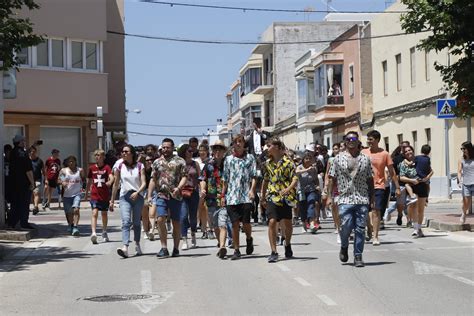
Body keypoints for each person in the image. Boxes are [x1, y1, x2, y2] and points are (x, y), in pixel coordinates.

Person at [327, 131, 374, 267]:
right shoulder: (337, 159)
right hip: (344, 198)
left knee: (360, 228)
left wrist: (372, 197)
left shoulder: (365, 159)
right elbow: (332, 178)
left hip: (361, 198)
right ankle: (344, 246)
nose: (351, 141)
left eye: (354, 138)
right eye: (348, 139)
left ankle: (358, 256)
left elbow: (370, 179)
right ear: (345, 142)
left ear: (358, 141)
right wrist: (329, 196)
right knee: (346, 225)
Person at [147, 138, 187, 258]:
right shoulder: (157, 162)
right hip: (161, 195)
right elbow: (153, 179)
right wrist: (149, 195)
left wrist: (178, 188)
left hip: (176, 195)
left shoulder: (180, 161)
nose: (165, 149)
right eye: (163, 147)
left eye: (168, 147)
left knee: (176, 222)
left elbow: (184, 177)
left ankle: (175, 248)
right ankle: (164, 247)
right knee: (160, 219)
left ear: (173, 148)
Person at [261, 138, 298, 263]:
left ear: (276, 147)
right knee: (272, 221)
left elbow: (295, 179)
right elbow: (266, 180)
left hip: (286, 197)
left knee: (287, 223)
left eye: (269, 145)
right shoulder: (267, 163)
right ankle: (274, 251)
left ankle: (287, 244)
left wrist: (288, 189)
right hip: (272, 195)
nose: (267, 148)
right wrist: (262, 197)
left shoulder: (289, 162)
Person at [362, 130, 400, 246]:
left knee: (376, 210)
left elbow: (392, 172)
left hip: (379, 185)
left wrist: (397, 187)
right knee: (365, 211)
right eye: (368, 139)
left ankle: (375, 236)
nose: (369, 142)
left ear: (377, 140)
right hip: (364, 185)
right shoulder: (363, 152)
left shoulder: (385, 154)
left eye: (371, 139)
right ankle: (369, 227)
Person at [223, 134, 257, 260]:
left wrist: (252, 190)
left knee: (246, 222)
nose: (238, 144)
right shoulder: (228, 160)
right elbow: (225, 178)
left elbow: (254, 176)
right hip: (232, 196)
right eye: (236, 142)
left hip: (245, 195)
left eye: (240, 142)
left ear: (244, 144)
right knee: (235, 223)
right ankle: (236, 249)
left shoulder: (250, 158)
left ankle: (249, 238)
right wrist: (223, 194)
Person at [110, 145, 147, 258]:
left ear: (132, 153)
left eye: (126, 151)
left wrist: (137, 192)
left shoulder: (140, 166)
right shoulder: (120, 166)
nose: (123, 153)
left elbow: (144, 183)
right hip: (124, 196)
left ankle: (137, 244)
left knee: (136, 222)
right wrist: (111, 200)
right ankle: (125, 247)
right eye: (122, 151)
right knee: (126, 222)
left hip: (138, 196)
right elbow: (116, 184)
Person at [200, 140, 230, 259]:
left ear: (224, 151)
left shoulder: (228, 163)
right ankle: (220, 243)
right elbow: (202, 179)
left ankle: (222, 246)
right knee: (215, 225)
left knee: (222, 224)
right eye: (215, 149)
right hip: (211, 199)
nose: (217, 151)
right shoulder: (208, 165)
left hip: (224, 198)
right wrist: (203, 189)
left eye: (220, 149)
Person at [399, 145, 432, 238]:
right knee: (413, 207)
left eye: (409, 150)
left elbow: (430, 171)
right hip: (412, 186)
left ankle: (419, 228)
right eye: (406, 152)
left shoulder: (421, 159)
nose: (408, 152)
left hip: (422, 185)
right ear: (404, 154)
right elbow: (401, 177)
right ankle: (415, 228)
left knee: (421, 210)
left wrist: (427, 178)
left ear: (413, 151)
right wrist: (411, 180)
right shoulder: (403, 164)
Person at [85, 149, 114, 244]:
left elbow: (111, 176)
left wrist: (110, 181)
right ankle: (93, 233)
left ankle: (104, 231)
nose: (97, 157)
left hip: (104, 195)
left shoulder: (107, 167)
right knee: (94, 213)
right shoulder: (92, 168)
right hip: (94, 195)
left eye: (100, 155)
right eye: (96, 155)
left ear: (103, 157)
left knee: (104, 214)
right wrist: (86, 193)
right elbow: (89, 181)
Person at [8, 135, 35, 229]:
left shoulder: (12, 152)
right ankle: (23, 223)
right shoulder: (23, 154)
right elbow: (28, 170)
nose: (25, 142)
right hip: (23, 184)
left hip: (13, 183)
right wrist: (32, 182)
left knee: (15, 203)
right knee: (24, 203)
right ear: (20, 142)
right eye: (23, 141)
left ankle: (13, 222)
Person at [177, 144, 201, 250]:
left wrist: (201, 189)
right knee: (183, 216)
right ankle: (184, 239)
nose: (191, 153)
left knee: (193, 217)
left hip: (194, 192)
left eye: (192, 151)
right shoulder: (179, 164)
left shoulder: (195, 164)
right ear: (184, 152)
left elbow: (200, 177)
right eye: (189, 151)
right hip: (182, 193)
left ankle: (193, 234)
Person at [59, 155, 86, 236]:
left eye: (73, 161)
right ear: (67, 163)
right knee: (69, 212)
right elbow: (59, 179)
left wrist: (84, 189)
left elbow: (84, 180)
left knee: (76, 209)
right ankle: (70, 225)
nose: (71, 163)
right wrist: (62, 182)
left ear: (75, 162)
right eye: (69, 161)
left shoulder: (80, 170)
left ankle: (75, 227)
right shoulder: (64, 171)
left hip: (77, 194)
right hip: (67, 195)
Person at [296, 152, 320, 234]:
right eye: (306, 159)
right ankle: (303, 224)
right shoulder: (299, 167)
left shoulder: (313, 169)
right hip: (301, 191)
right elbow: (297, 173)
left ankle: (312, 223)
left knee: (311, 203)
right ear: (303, 160)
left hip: (311, 189)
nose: (308, 160)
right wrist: (306, 170)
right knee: (303, 208)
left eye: (309, 159)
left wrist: (317, 185)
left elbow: (316, 179)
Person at [457, 141, 474, 224]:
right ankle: (463, 214)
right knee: (466, 203)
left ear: (469, 149)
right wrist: (459, 180)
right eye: (462, 149)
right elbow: (459, 171)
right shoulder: (461, 159)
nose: (463, 150)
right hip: (466, 184)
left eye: (464, 148)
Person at [29, 146, 44, 215]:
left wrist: (46, 179)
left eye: (34, 151)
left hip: (37, 179)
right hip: (28, 179)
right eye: (31, 151)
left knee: (36, 192)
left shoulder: (39, 161)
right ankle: (34, 206)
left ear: (36, 152)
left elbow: (43, 171)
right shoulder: (27, 160)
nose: (32, 153)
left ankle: (35, 206)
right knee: (31, 194)